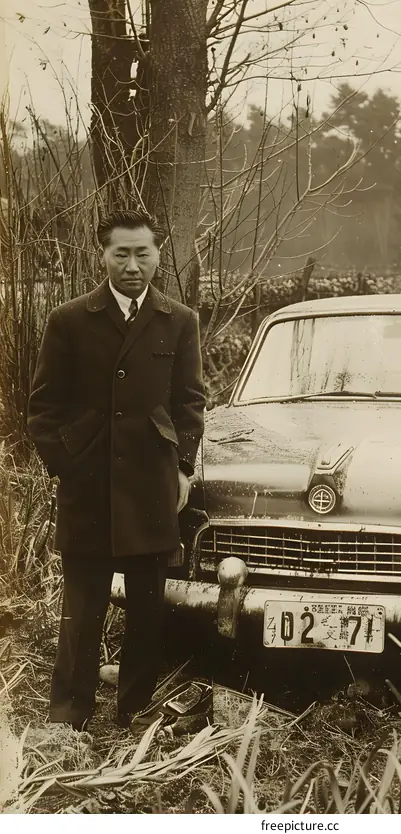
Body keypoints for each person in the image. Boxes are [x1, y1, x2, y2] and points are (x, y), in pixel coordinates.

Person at [28, 209, 206, 731]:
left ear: (158, 254)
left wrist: (182, 468)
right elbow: (42, 408)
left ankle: (135, 711)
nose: (133, 265)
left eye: (143, 253)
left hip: (152, 485)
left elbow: (190, 402)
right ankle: (69, 716)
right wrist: (68, 465)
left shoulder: (180, 320)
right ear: (101, 255)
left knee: (148, 610)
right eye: (121, 254)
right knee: (82, 610)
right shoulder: (69, 319)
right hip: (87, 488)